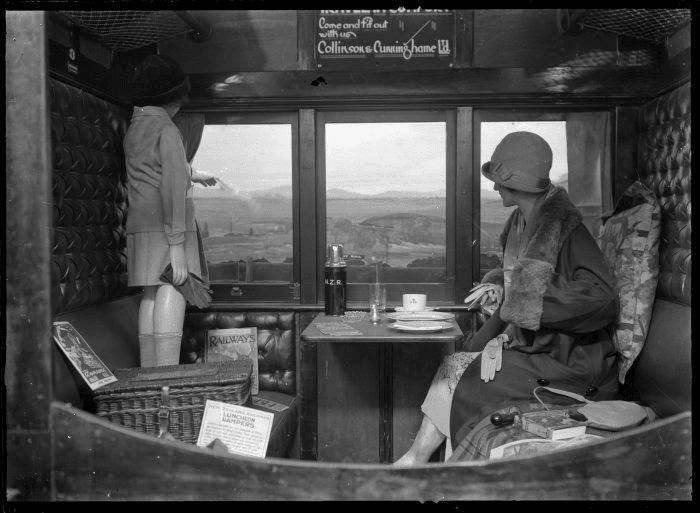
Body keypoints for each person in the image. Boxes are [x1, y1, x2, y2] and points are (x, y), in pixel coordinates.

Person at [395, 131, 620, 464]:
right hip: (537, 344)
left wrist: (521, 300)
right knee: (456, 364)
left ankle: (434, 468)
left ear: (518, 184)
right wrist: (498, 285)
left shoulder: (568, 230)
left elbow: (602, 300)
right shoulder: (521, 220)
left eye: (500, 180)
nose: (494, 186)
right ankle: (419, 460)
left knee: (467, 378)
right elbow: (516, 275)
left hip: (572, 360)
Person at [124, 54, 218, 367]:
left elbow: (156, 168)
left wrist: (193, 172)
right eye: (178, 100)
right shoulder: (168, 130)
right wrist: (177, 247)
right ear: (169, 99)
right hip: (168, 228)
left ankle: (151, 377)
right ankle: (167, 376)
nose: (180, 106)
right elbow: (173, 190)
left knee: (151, 294)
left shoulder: (136, 128)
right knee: (174, 289)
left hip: (141, 226)